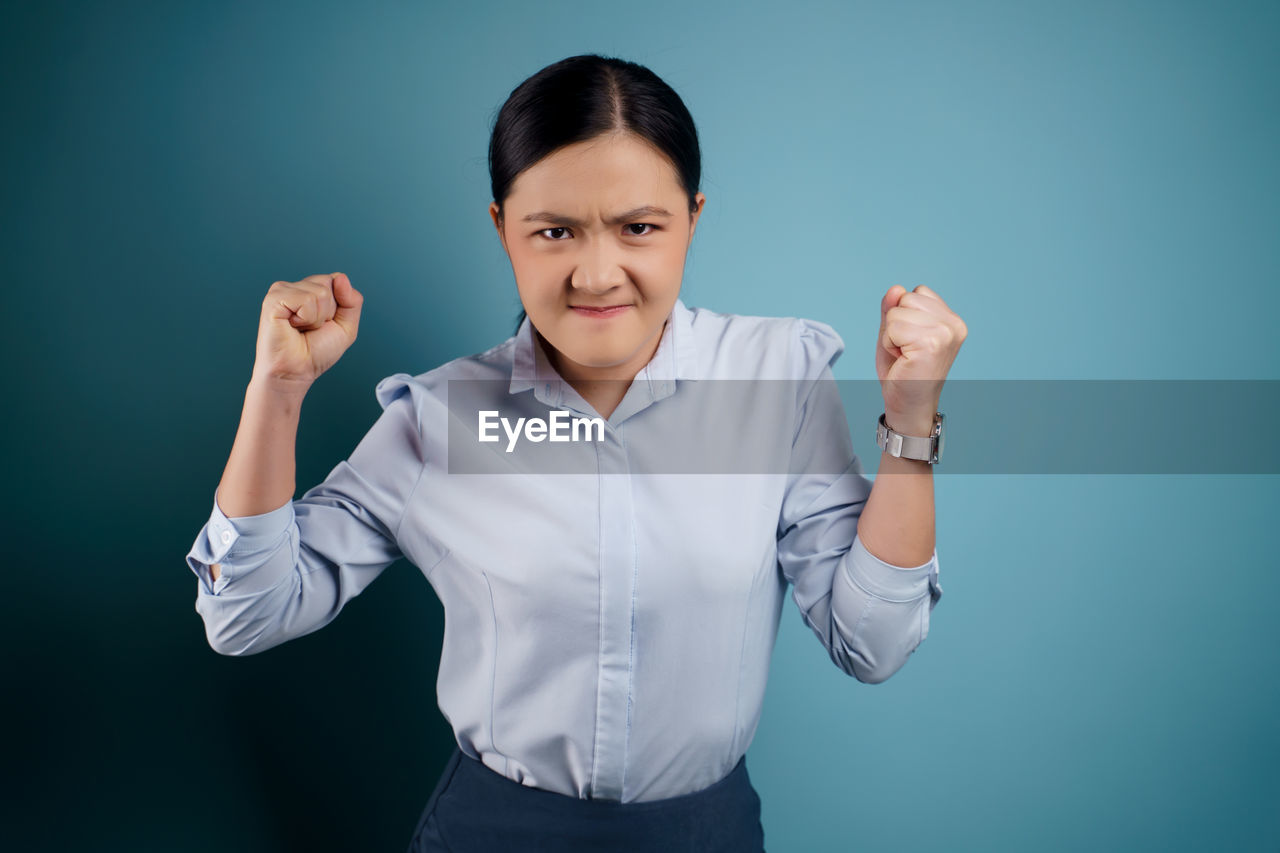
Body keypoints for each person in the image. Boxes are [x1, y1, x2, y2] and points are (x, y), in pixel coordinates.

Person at [185, 53, 966, 853]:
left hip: (704, 833)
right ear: (502, 228)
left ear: (693, 218)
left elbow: (871, 643)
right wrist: (276, 393)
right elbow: (246, 613)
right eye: (554, 231)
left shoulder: (777, 380)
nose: (597, 275)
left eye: (639, 228)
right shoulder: (439, 419)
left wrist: (910, 423)